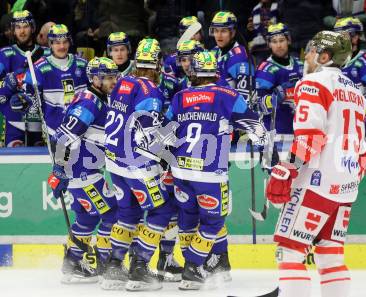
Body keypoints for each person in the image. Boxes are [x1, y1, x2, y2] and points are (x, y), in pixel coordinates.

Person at [265, 30, 366, 297]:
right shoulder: (355, 91)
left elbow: (310, 136)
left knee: (290, 251)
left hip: (314, 184)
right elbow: (362, 150)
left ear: (323, 56)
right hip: (345, 186)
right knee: (330, 255)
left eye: (310, 50)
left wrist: (289, 169)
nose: (306, 56)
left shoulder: (313, 83)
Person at [165, 50, 267, 290]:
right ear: (216, 72)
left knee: (188, 219)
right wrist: (264, 149)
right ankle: (193, 267)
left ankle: (213, 263)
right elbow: (256, 128)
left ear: (194, 73)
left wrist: (163, 160)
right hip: (210, 173)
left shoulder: (180, 96)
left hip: (180, 171)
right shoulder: (229, 95)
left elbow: (165, 133)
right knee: (212, 222)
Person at [101, 38, 176, 291]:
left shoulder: (123, 81)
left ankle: (113, 267)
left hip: (113, 161)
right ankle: (140, 268)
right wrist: (168, 155)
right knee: (161, 211)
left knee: (128, 214)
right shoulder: (150, 91)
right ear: (157, 64)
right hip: (137, 165)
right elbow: (148, 134)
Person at [47, 57, 120, 283]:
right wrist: (59, 168)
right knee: (111, 214)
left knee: (87, 217)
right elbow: (63, 137)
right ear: (95, 79)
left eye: (114, 76)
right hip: (84, 174)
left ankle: (72, 264)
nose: (113, 81)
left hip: (86, 172)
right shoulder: (90, 102)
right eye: (108, 77)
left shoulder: (97, 99)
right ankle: (107, 265)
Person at [12, 24, 88, 147]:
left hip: (82, 129)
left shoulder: (83, 65)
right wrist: (21, 101)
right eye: (57, 42)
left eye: (65, 42)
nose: (62, 46)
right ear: (50, 44)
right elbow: (29, 100)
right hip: (54, 131)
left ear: (70, 42)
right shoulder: (39, 67)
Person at [0, 10, 50, 147]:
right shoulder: (5, 54)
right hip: (14, 119)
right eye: (18, 27)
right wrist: (8, 84)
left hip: (41, 119)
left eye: (26, 26)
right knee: (14, 154)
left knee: (43, 156)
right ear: (13, 30)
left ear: (33, 28)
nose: (22, 31)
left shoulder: (46, 53)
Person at [255, 22, 303, 134]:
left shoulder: (300, 65)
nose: (279, 45)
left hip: (299, 130)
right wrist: (274, 99)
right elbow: (256, 105)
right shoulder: (265, 70)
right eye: (274, 42)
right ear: (269, 44)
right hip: (276, 133)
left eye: (282, 40)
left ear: (288, 41)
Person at [210, 11, 254, 104]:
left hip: (229, 112)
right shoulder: (214, 51)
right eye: (216, 30)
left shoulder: (240, 58)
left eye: (223, 31)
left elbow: (245, 99)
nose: (219, 35)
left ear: (233, 32)